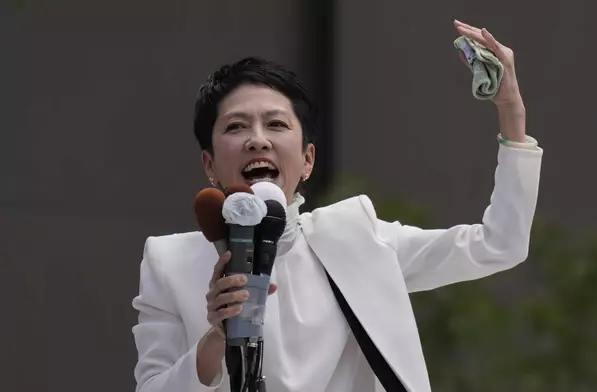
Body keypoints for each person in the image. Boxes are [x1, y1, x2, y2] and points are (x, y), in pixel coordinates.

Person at [132, 20, 542, 392]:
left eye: (276, 124)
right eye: (236, 127)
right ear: (209, 164)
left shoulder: (357, 236)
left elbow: (499, 244)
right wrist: (216, 339)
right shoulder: (169, 261)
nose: (258, 140)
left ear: (308, 159)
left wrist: (511, 112)